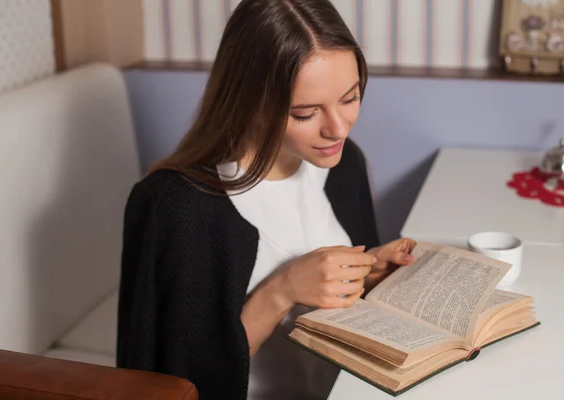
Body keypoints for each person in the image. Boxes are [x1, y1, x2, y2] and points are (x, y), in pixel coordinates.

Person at [116, 0, 417, 399]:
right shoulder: (178, 206)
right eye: (306, 113)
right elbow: (181, 385)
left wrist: (365, 272)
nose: (338, 128)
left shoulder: (344, 167)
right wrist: (283, 290)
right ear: (251, 101)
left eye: (350, 97)